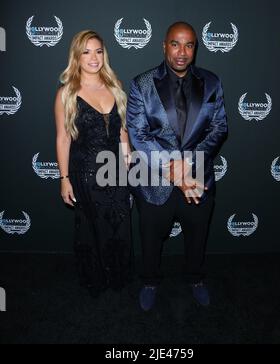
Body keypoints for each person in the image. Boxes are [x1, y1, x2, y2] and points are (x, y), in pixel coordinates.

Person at [127, 22, 228, 311]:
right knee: (150, 240)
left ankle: (196, 278)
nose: (182, 52)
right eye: (175, 44)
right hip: (154, 180)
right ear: (164, 45)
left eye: (189, 45)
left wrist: (189, 165)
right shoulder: (141, 84)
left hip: (197, 179)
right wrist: (174, 169)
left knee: (198, 236)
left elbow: (219, 128)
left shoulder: (211, 82)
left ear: (196, 48)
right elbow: (138, 135)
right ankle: (149, 281)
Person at [54, 30, 133, 298]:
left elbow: (122, 130)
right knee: (92, 228)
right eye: (86, 51)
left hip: (116, 170)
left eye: (98, 51)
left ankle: (118, 275)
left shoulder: (115, 85)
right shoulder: (67, 93)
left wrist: (128, 159)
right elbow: (63, 138)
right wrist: (64, 178)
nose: (93, 57)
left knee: (120, 225)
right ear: (76, 55)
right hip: (86, 171)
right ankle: (95, 278)